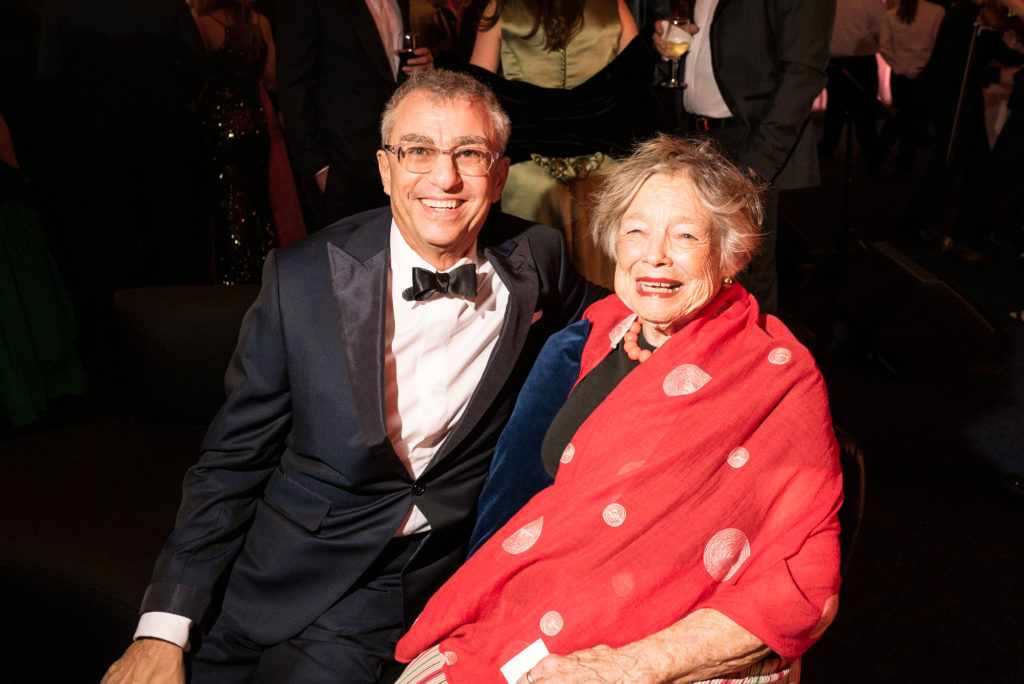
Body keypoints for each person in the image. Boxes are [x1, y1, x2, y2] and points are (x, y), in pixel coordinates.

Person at [101, 69, 602, 684]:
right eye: (418, 151)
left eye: (468, 154)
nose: (444, 178)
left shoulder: (537, 259)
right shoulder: (301, 279)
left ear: (499, 175)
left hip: (402, 583)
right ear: (386, 169)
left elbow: (616, 313)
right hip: (278, 565)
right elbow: (231, 461)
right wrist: (162, 627)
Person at [393, 135, 842, 683]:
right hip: (544, 605)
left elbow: (803, 579)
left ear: (731, 252)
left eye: (685, 235)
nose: (654, 255)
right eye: (636, 231)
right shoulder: (598, 331)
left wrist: (630, 667)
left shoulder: (777, 372)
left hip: (676, 645)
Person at [652, 0, 835, 315]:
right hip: (692, 136)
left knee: (744, 280)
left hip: (747, 141)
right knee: (692, 268)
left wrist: (755, 163)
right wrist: (661, 41)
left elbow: (803, 72)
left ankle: (753, 362)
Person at [468, 0, 657, 289]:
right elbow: (637, 78)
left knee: (533, 280)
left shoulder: (501, 7)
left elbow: (477, 91)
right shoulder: (613, 6)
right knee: (605, 283)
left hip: (527, 173)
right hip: (602, 170)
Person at [275, 0, 435, 230]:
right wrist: (318, 167)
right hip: (344, 169)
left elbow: (389, 74)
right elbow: (294, 86)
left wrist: (425, 67)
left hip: (398, 161)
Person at [194, 0, 279, 284]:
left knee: (227, 208)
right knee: (259, 205)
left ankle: (233, 283)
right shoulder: (260, 23)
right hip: (255, 126)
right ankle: (264, 277)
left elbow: (193, 81)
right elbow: (272, 78)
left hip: (218, 127)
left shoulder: (203, 25)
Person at [875, 0, 947, 174]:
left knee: (900, 115)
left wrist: (899, 66)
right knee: (913, 117)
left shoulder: (891, 15)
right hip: (923, 73)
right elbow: (937, 44)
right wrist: (922, 65)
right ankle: (904, 160)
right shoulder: (937, 11)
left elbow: (883, 46)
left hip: (899, 73)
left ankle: (880, 155)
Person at [820, 0, 887, 159]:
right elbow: (880, 30)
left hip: (835, 60)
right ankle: (868, 145)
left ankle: (829, 144)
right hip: (862, 59)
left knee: (835, 106)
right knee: (865, 106)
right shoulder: (872, 2)